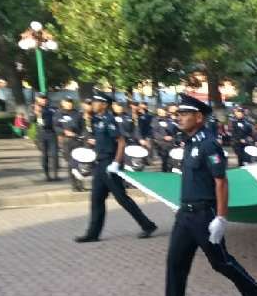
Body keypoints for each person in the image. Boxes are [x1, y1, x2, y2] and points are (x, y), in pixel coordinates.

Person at [145, 94, 257, 296]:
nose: (179, 118)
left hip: (204, 215)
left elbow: (221, 181)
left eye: (184, 114)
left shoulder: (209, 144)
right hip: (185, 215)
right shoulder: (190, 141)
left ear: (199, 117)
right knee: (175, 262)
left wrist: (221, 217)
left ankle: (253, 291)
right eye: (178, 114)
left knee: (220, 261)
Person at [74, 91, 158, 243]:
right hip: (100, 164)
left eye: (96, 102)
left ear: (104, 105)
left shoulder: (109, 120)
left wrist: (116, 163)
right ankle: (93, 233)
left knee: (122, 199)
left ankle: (147, 225)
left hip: (109, 163)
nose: (93, 104)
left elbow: (121, 142)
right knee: (96, 199)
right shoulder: (97, 119)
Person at [53, 97, 83, 183]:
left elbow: (82, 127)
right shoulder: (58, 114)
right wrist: (64, 131)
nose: (69, 104)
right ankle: (74, 183)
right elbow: (55, 127)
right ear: (62, 103)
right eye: (67, 102)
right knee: (70, 163)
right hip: (66, 141)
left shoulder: (77, 114)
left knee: (78, 162)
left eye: (70, 102)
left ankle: (79, 183)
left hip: (77, 141)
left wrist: (81, 136)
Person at [34, 93, 59, 181]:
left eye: (45, 98)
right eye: (41, 99)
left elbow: (58, 117)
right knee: (45, 156)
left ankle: (56, 175)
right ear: (38, 100)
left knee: (55, 154)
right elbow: (30, 121)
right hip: (42, 134)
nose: (43, 100)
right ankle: (47, 175)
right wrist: (36, 113)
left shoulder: (52, 108)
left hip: (52, 133)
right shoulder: (35, 109)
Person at [152, 107, 177, 172]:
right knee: (165, 160)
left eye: (163, 111)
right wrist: (163, 137)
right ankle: (164, 171)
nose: (162, 113)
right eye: (160, 112)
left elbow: (174, 130)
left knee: (172, 159)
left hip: (171, 142)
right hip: (161, 143)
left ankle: (171, 170)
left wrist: (172, 137)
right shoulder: (155, 120)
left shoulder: (170, 120)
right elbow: (154, 132)